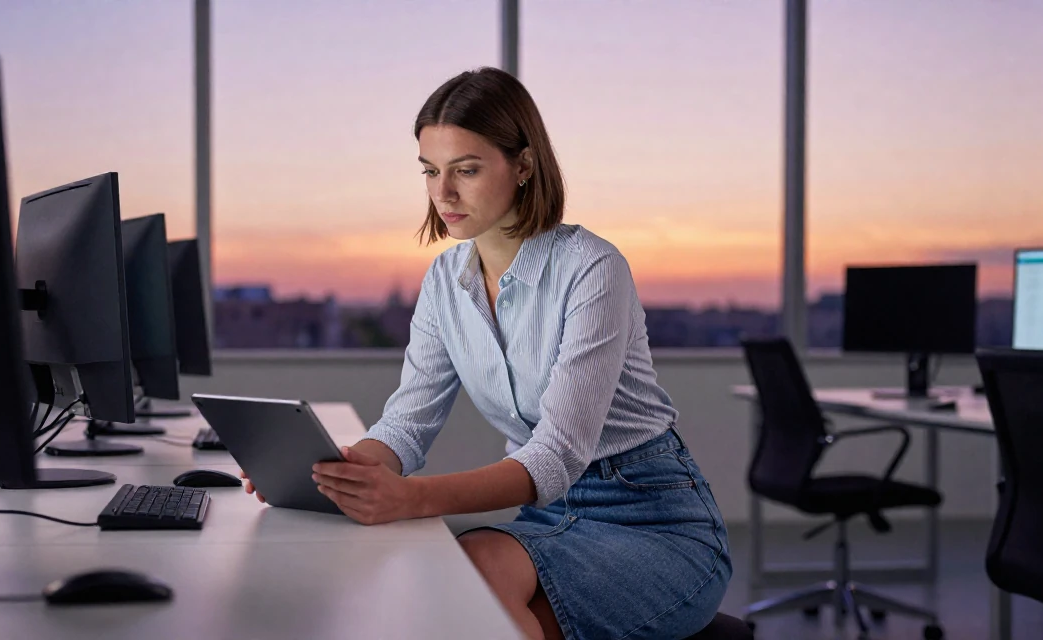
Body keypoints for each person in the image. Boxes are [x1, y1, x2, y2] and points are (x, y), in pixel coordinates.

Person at [244, 67, 731, 640]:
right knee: (466, 592)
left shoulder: (593, 268)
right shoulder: (445, 280)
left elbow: (555, 456)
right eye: (430, 171)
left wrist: (409, 500)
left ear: (523, 165)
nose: (442, 193)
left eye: (466, 170)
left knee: (472, 574)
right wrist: (342, 469)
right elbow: (406, 423)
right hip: (550, 517)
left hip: (652, 517)